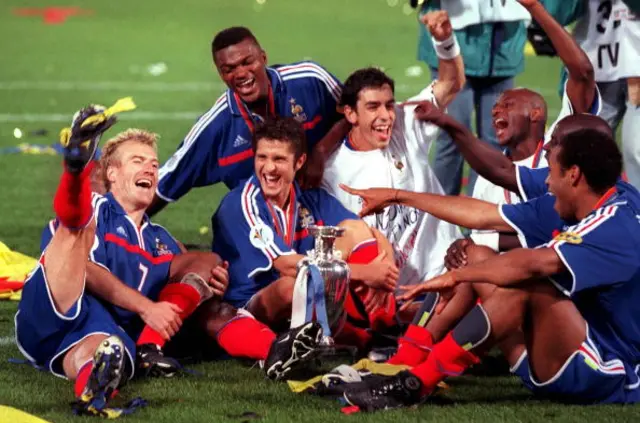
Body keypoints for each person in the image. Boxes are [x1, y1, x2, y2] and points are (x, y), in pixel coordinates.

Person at [15, 106, 322, 417]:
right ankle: (75, 170)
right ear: (111, 173)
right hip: (55, 308)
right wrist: (147, 308)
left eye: (154, 165)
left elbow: (196, 268)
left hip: (102, 331)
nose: (150, 169)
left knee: (107, 348)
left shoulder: (160, 239)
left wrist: (212, 282)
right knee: (75, 229)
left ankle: (276, 351)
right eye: (138, 162)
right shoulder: (98, 208)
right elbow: (87, 269)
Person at [340, 114, 640, 410]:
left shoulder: (617, 224)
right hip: (561, 351)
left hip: (603, 369)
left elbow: (534, 264)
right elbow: (483, 214)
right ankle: (407, 357)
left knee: (527, 282)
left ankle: (415, 384)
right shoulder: (589, 197)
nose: (546, 179)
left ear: (573, 174)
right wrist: (396, 196)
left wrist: (457, 278)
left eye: (552, 167)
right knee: (475, 253)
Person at [211, 117, 400, 353]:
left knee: (354, 231)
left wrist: (386, 270)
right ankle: (359, 337)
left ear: (299, 161)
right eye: (262, 157)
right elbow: (286, 266)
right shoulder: (241, 205)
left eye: (279, 159)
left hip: (311, 290)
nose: (269, 168)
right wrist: (366, 273)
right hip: (251, 303)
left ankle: (383, 327)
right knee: (290, 287)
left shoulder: (310, 199)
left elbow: (368, 232)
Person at [321, 11, 464, 290]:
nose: (386, 115)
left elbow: (452, 83)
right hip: (389, 293)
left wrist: (445, 41)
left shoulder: (407, 123)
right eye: (373, 107)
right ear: (350, 113)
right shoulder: (333, 172)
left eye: (388, 104)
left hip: (447, 273)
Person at [149, 26, 347, 216]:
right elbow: (165, 182)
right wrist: (124, 231)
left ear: (263, 58)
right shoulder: (215, 126)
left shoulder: (309, 79)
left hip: (330, 194)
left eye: (247, 62)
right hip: (267, 220)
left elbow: (356, 112)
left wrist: (321, 151)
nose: (241, 74)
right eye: (229, 69)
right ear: (220, 74)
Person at [415, 0, 531, 195]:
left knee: (496, 139)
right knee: (452, 134)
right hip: (454, 39)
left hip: (504, 44)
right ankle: (438, 219)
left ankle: (481, 218)